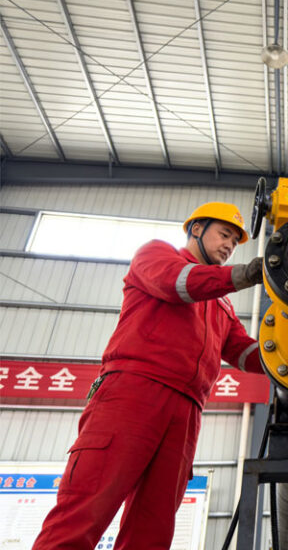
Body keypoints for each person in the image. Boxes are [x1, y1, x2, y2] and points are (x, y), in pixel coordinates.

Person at [32, 202, 266, 550]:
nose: (230, 245)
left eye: (235, 241)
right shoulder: (156, 255)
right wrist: (243, 274)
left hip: (187, 410)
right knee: (86, 507)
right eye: (224, 234)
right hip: (133, 390)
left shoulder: (222, 303)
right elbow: (177, 284)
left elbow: (244, 353)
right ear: (197, 229)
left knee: (154, 527)